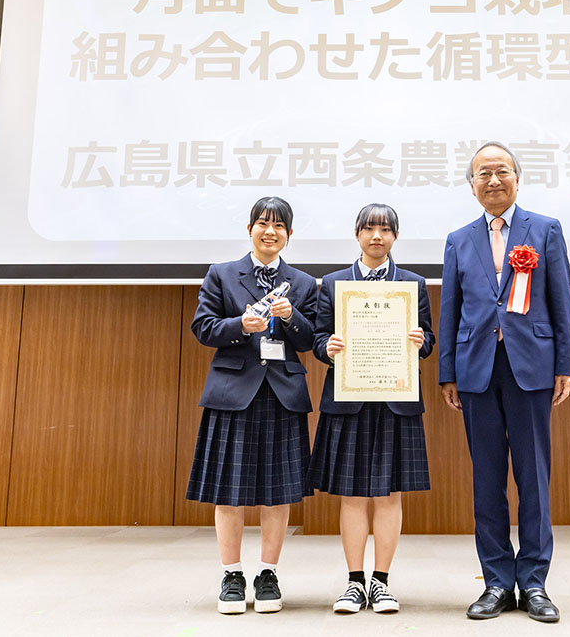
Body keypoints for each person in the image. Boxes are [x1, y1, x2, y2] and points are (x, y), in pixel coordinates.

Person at [439, 141, 570, 623]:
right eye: (482, 174)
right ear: (471, 185)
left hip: (531, 366)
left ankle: (534, 583)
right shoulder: (458, 238)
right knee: (487, 480)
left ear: (517, 178)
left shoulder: (545, 229)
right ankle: (497, 581)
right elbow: (451, 309)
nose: (492, 180)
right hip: (476, 369)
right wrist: (447, 372)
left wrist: (566, 364)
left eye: (501, 171)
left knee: (534, 478)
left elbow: (560, 301)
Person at [186, 196, 318, 615]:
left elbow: (309, 340)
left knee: (278, 492)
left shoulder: (301, 282)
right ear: (250, 229)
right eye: (263, 223)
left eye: (279, 226)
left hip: (283, 393)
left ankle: (267, 574)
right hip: (232, 394)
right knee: (230, 491)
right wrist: (240, 326)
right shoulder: (222, 274)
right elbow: (203, 328)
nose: (270, 231)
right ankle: (231, 574)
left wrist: (293, 316)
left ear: (289, 235)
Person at [307, 203, 435, 615]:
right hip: (349, 398)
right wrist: (326, 348)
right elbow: (317, 338)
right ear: (357, 234)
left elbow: (430, 341)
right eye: (369, 229)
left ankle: (381, 583)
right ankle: (353, 583)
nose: (376, 236)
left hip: (396, 400)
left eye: (385, 230)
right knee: (351, 495)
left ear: (395, 236)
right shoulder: (333, 283)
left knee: (389, 494)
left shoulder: (413, 284)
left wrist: (420, 341)